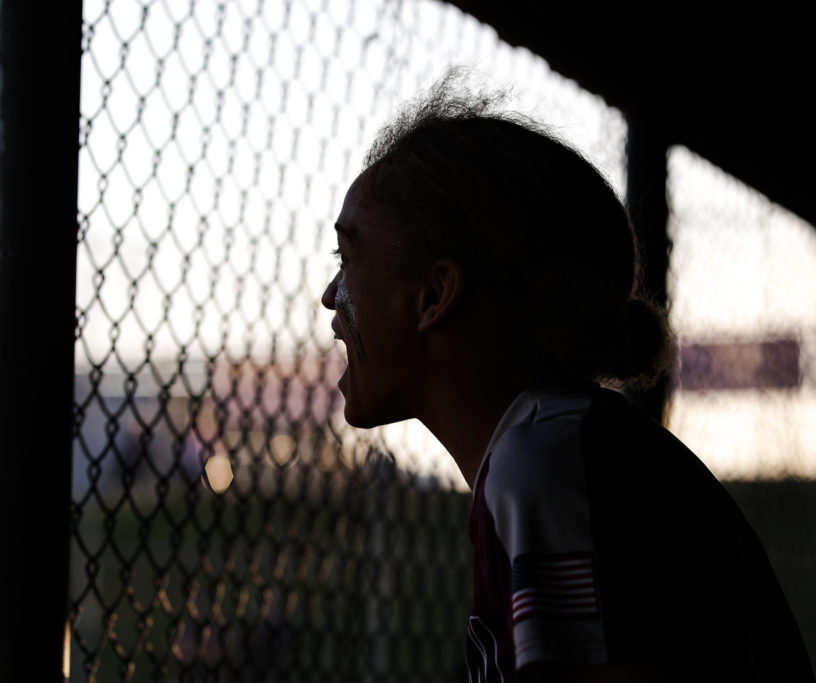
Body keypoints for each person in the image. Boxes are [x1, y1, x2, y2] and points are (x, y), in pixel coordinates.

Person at [320, 72, 815, 683]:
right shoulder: (555, 450)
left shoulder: (544, 462)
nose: (329, 297)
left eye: (347, 260)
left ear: (433, 296)